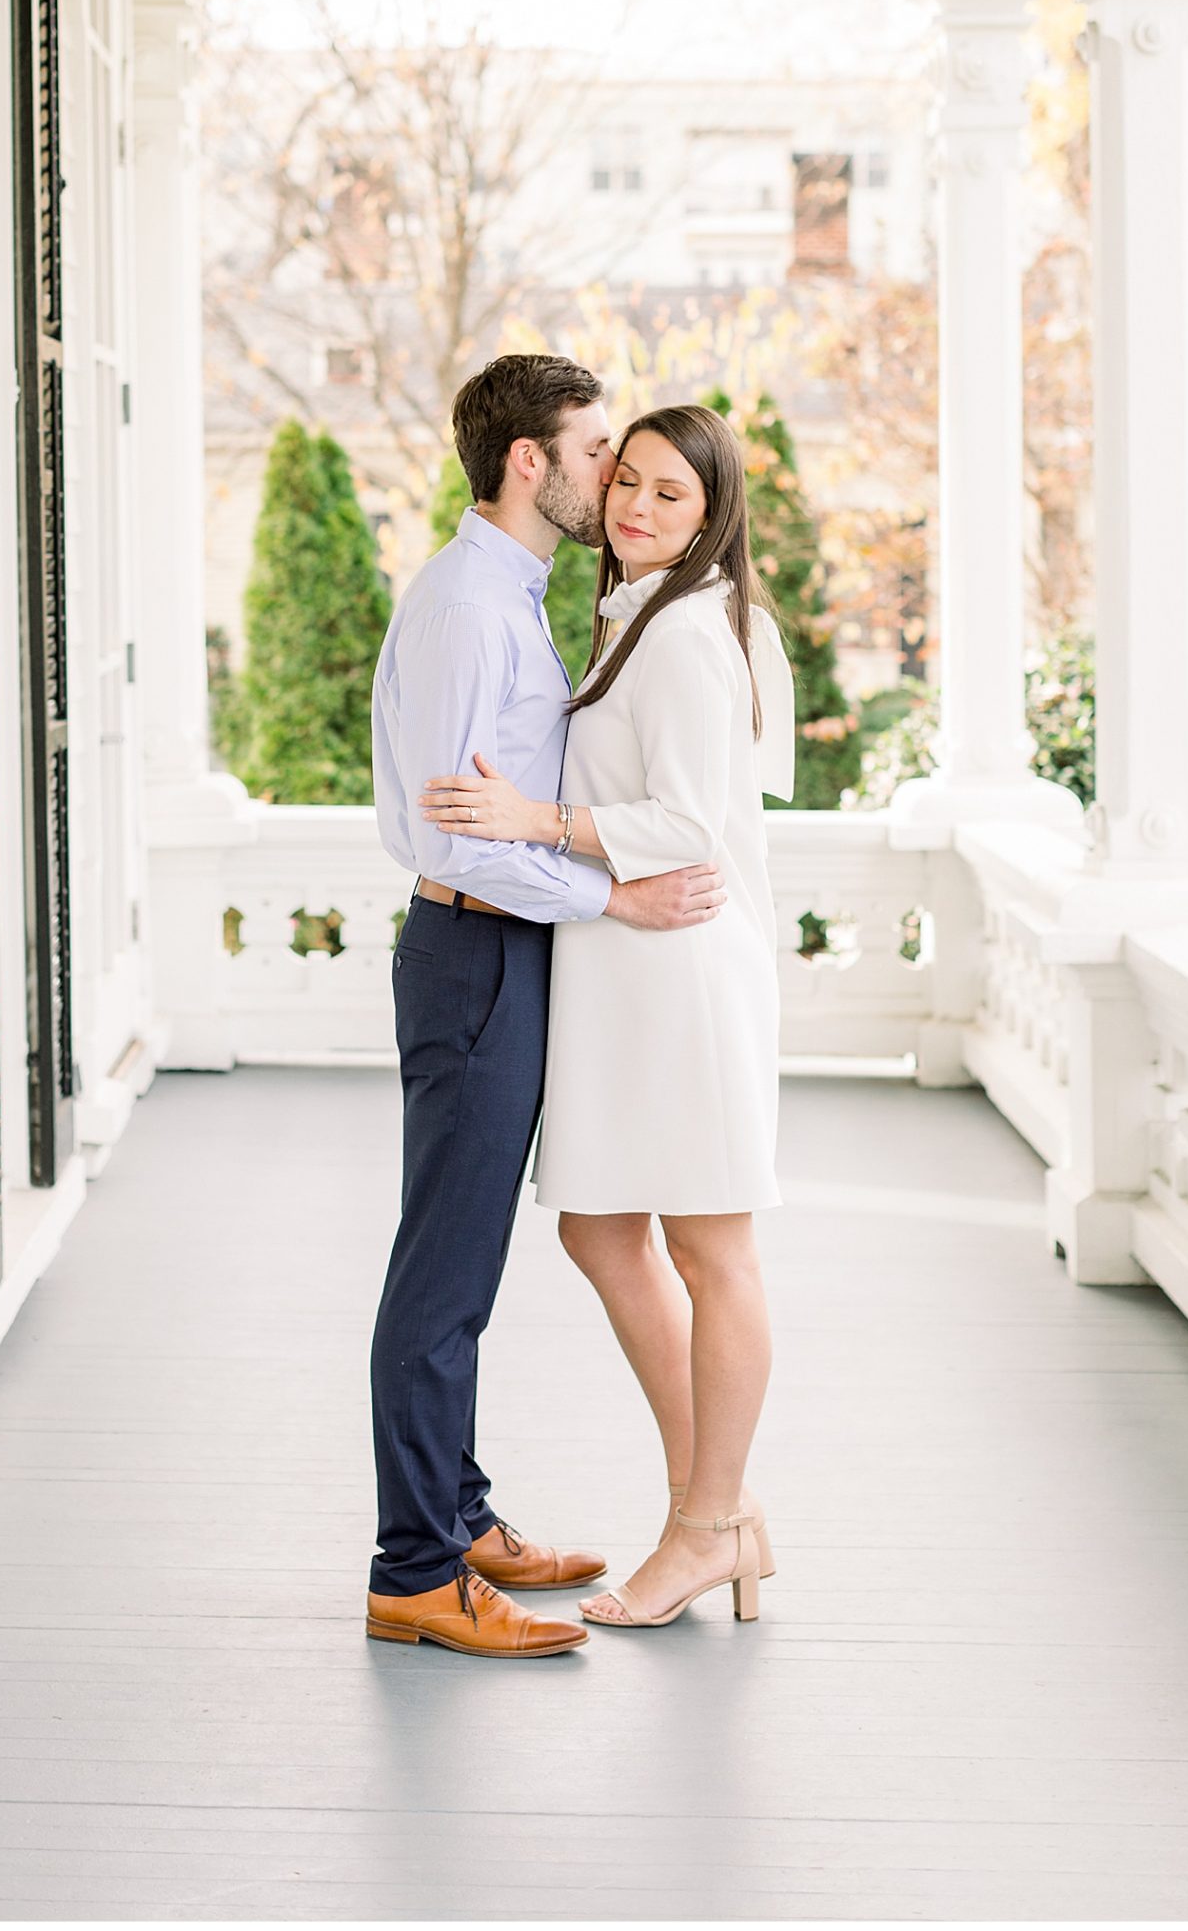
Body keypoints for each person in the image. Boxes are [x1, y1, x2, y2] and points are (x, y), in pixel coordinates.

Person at [367, 358, 729, 1661]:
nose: (608, 479)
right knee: (443, 1274)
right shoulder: (472, 607)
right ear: (529, 461)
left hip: (504, 955)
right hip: (474, 953)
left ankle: (453, 1516)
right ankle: (413, 1569)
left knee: (466, 1266)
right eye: (591, 453)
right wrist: (611, 899)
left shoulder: (512, 595)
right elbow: (446, 835)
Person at [421, 402, 794, 1632]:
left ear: (711, 517)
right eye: (624, 480)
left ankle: (702, 1526)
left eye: (669, 495)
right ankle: (719, 1507)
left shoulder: (686, 633)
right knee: (598, 1229)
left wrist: (540, 823)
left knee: (712, 1250)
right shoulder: (633, 617)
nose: (634, 506)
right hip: (626, 968)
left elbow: (691, 821)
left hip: (679, 966)